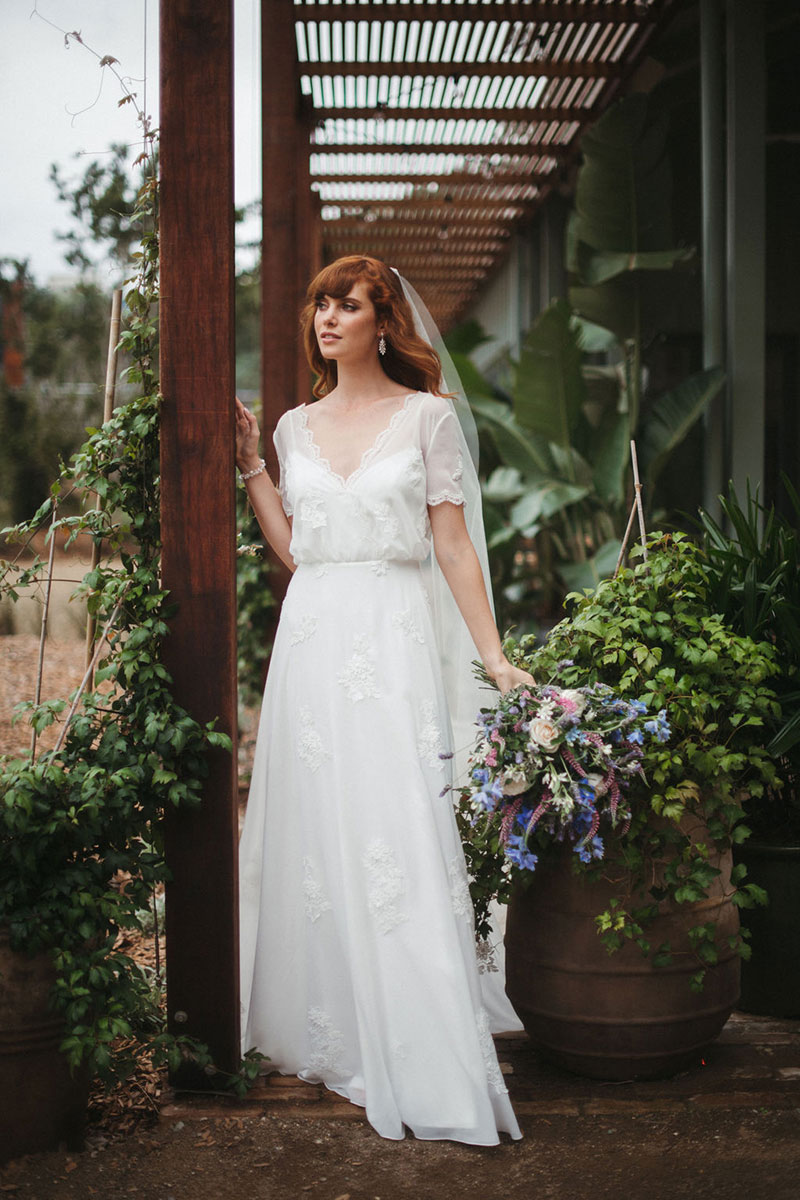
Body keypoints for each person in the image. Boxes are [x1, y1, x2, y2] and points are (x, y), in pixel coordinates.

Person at [236, 255, 531, 1145]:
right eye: (320, 302)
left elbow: (452, 545)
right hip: (315, 638)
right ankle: (325, 1013)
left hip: (395, 637)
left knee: (398, 822)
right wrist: (251, 466)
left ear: (382, 319)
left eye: (347, 304)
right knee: (320, 821)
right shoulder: (292, 428)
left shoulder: (427, 419)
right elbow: (296, 548)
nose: (328, 317)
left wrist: (495, 656)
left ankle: (419, 1025)